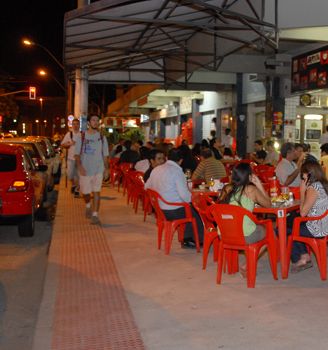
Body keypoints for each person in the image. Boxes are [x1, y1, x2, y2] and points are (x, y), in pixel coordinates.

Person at [219, 162, 271, 276]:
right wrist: (259, 185)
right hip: (244, 235)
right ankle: (247, 265)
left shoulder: (226, 188)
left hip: (224, 234)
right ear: (249, 176)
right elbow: (268, 204)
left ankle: (235, 266)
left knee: (252, 228)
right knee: (270, 233)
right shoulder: (251, 190)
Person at [145, 148, 204, 248]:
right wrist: (195, 199)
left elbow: (146, 187)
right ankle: (195, 240)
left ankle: (187, 238)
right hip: (173, 210)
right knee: (197, 211)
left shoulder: (156, 170)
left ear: (167, 158)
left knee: (189, 208)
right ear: (181, 160)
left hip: (160, 210)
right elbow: (184, 196)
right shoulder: (177, 172)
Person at [289, 161, 328, 273]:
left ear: (308, 174)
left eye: (303, 175)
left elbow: (303, 213)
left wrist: (302, 192)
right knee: (295, 225)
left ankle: (301, 259)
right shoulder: (323, 184)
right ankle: (304, 254)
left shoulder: (313, 187)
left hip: (318, 227)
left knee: (287, 231)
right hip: (324, 223)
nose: (302, 177)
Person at [75, 115, 109, 225]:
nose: (95, 122)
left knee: (96, 192)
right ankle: (88, 205)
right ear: (89, 122)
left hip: (98, 169)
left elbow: (105, 155)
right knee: (85, 193)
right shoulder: (82, 136)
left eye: (97, 120)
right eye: (93, 120)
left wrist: (106, 169)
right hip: (85, 169)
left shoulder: (102, 138)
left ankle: (95, 215)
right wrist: (80, 167)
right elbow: (77, 155)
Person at [61, 118, 81, 197]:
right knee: (70, 175)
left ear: (79, 125)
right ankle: (73, 185)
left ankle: (77, 190)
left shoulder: (82, 134)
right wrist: (69, 143)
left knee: (79, 176)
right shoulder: (69, 134)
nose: (76, 126)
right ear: (72, 125)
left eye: (77, 124)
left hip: (80, 159)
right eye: (74, 124)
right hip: (70, 159)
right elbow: (62, 144)